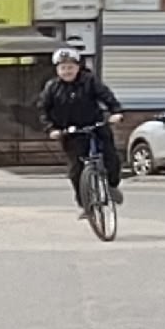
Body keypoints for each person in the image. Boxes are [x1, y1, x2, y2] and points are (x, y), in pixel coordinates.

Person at [40, 45, 123, 216]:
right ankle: (84, 203)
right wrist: (52, 128)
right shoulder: (52, 88)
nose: (67, 71)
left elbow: (106, 96)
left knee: (111, 158)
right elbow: (43, 110)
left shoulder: (89, 81)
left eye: (70, 67)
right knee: (75, 170)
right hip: (71, 132)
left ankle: (112, 185)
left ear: (78, 67)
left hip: (95, 126)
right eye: (63, 68)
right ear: (57, 70)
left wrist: (116, 112)